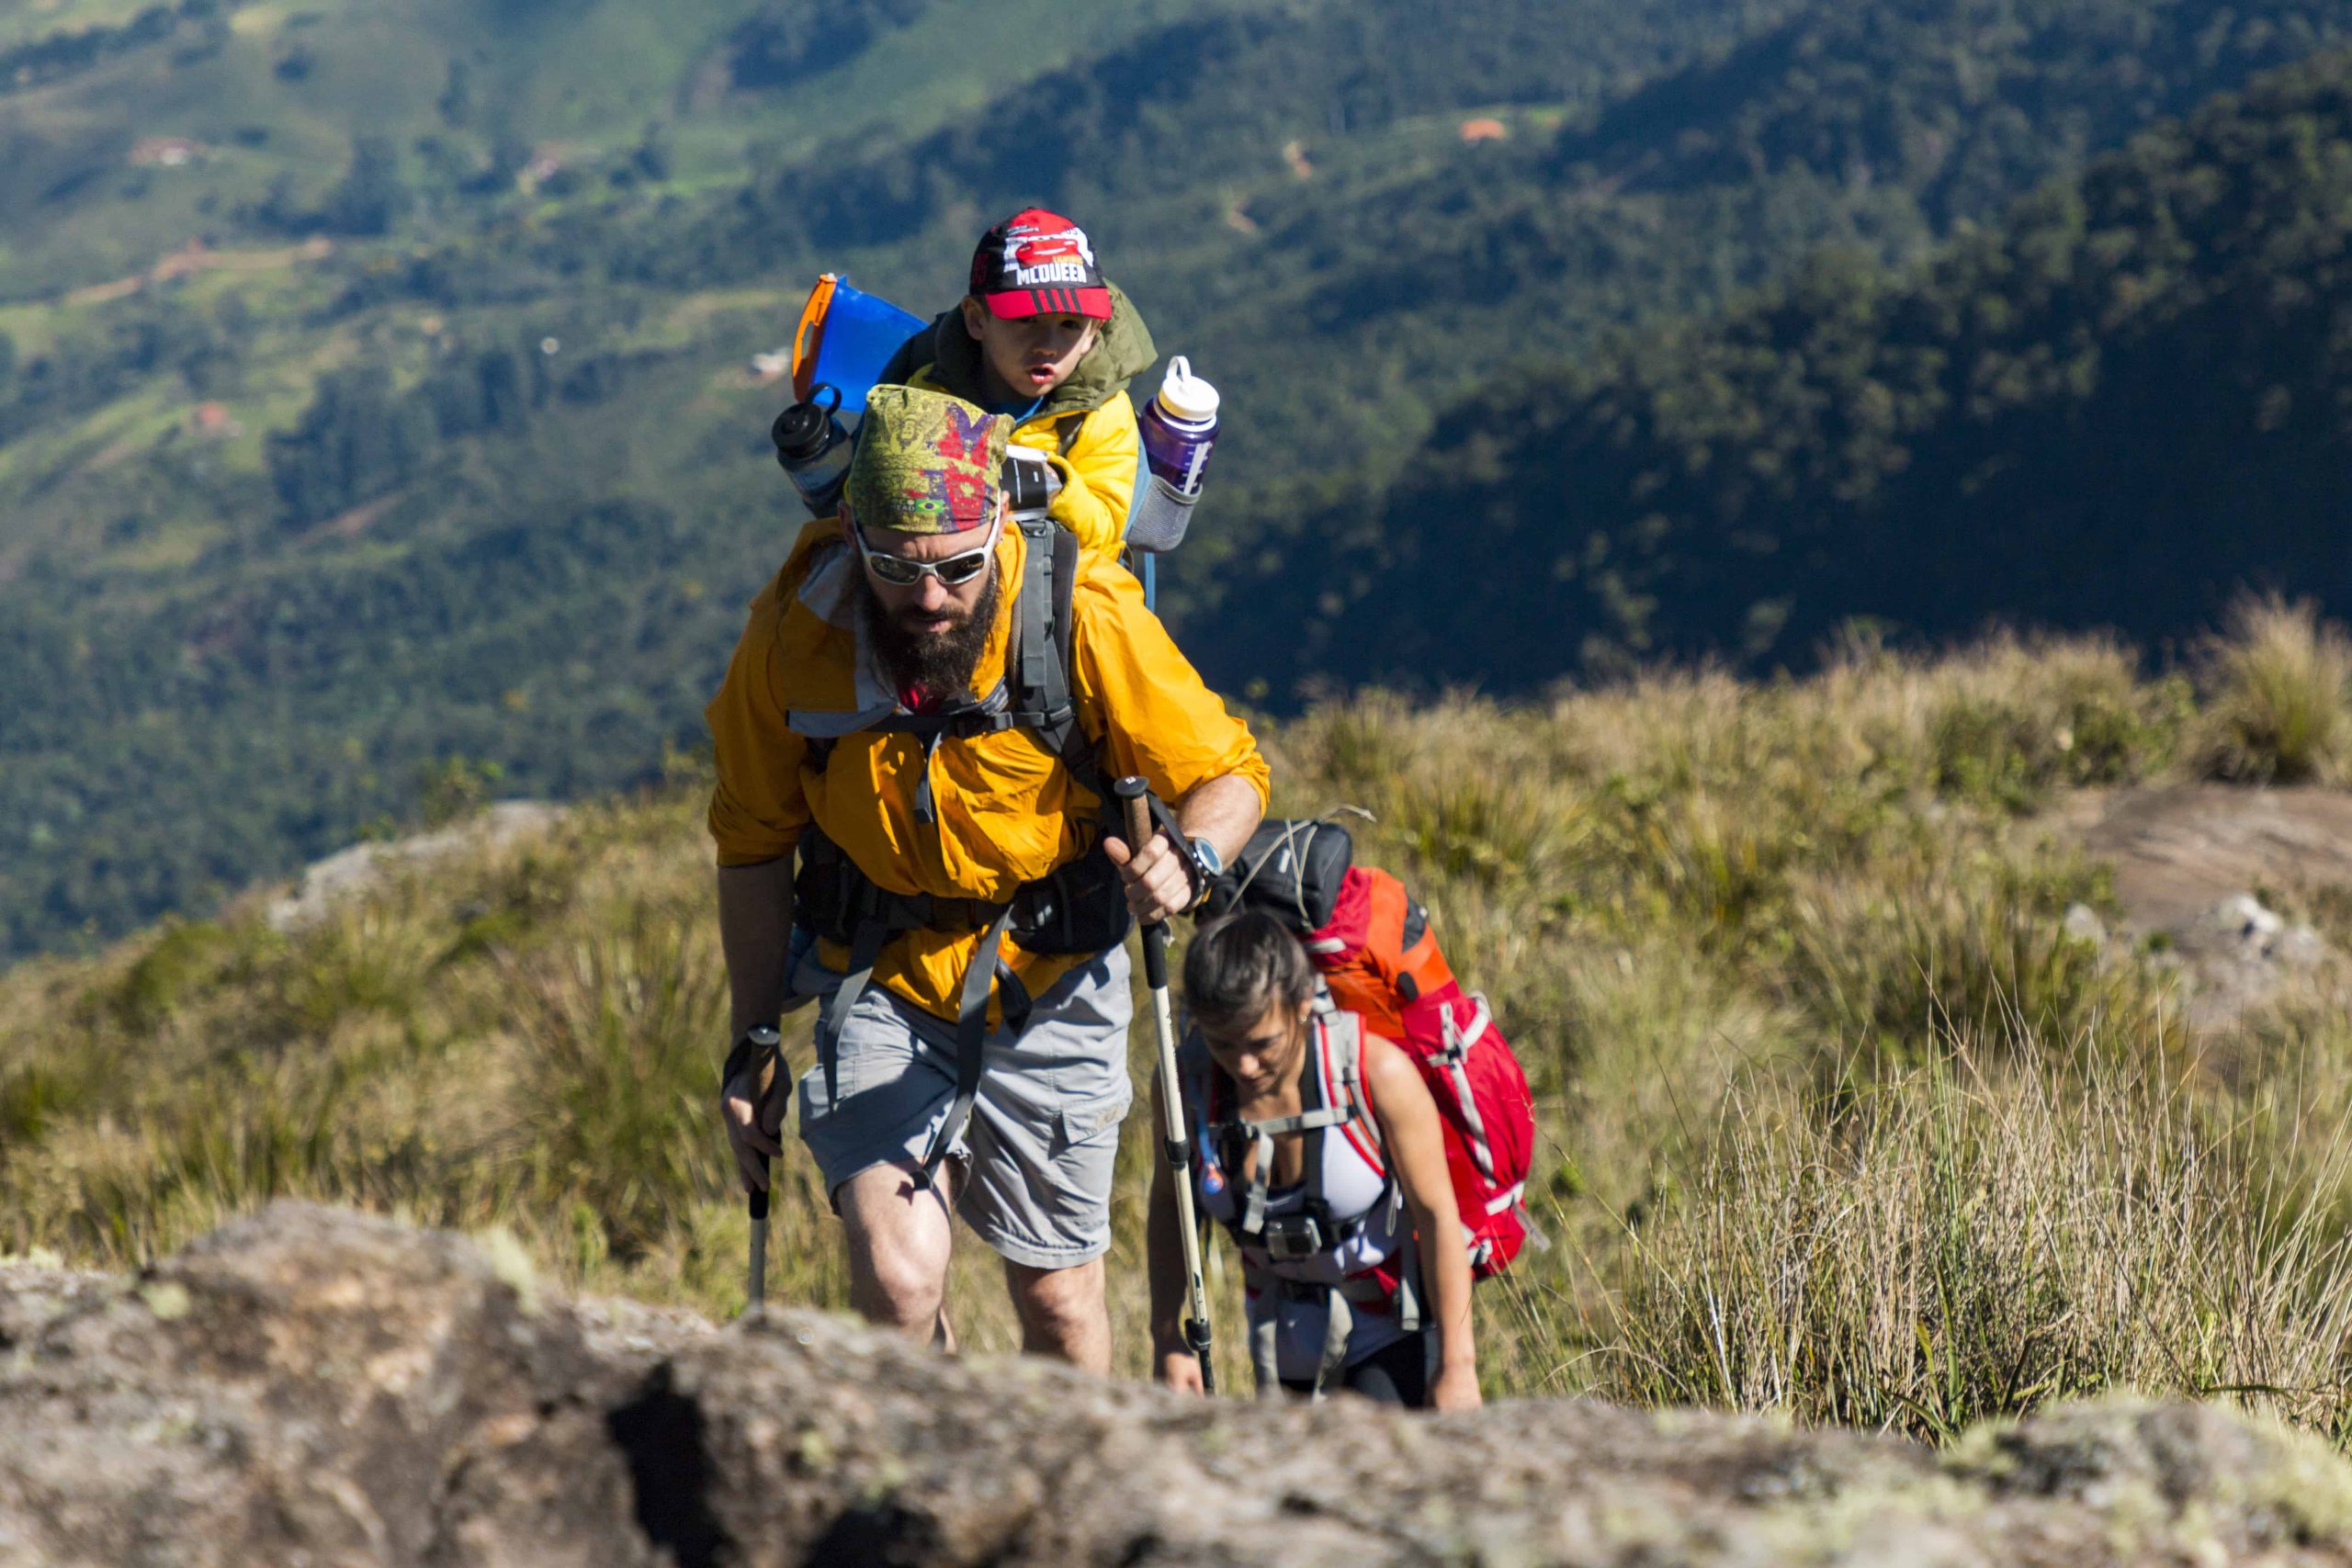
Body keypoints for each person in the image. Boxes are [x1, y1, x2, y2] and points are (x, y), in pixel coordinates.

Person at [709, 384, 1267, 1372]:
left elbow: (1227, 773)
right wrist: (754, 1036)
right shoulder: (796, 641)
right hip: (878, 974)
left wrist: (1191, 857)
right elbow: (752, 842)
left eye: (959, 568)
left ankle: (1067, 1499)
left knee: (1055, 1298)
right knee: (898, 1278)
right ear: (851, 533)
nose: (928, 598)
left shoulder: (1080, 612)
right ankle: (925, 1480)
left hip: (1052, 979)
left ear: (999, 523)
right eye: (894, 568)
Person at [1148, 909, 1483, 1409]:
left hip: (1389, 1328)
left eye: (1263, 1044)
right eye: (1223, 1043)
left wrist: (1458, 1367)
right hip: (1279, 1336)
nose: (1243, 1066)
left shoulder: (1376, 1074)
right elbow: (1170, 1209)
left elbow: (1437, 1216)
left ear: (1303, 1003)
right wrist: (1166, 1336)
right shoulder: (1185, 1084)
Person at [876, 208, 1154, 558]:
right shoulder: (929, 397)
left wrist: (1049, 484)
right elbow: (872, 498)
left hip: (1056, 591)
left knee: (1113, 611)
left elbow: (1105, 531)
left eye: (1070, 324)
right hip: (943, 573)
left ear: (1092, 335)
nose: (1048, 345)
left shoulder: (1100, 413)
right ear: (977, 319)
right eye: (1026, 319)